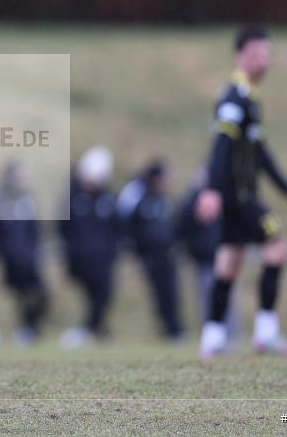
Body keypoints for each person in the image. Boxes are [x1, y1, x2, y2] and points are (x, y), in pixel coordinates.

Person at [196, 26, 287, 359]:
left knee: (228, 265)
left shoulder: (249, 98)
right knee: (277, 250)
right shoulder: (234, 97)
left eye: (266, 54)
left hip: (236, 196)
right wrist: (211, 190)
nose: (262, 61)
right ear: (239, 56)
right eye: (255, 54)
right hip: (240, 197)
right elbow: (221, 145)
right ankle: (266, 335)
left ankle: (212, 338)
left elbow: (260, 152)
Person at [58, 147, 119, 349]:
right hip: (80, 258)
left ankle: (92, 328)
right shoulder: (72, 197)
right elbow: (63, 228)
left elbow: (115, 228)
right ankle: (92, 328)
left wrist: (111, 252)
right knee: (93, 295)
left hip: (102, 259)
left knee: (104, 294)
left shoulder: (107, 199)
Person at [116, 160, 183, 340]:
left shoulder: (164, 200)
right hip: (150, 255)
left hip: (167, 254)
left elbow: (173, 225)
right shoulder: (140, 198)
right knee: (160, 293)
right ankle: (169, 330)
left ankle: (175, 330)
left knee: (172, 293)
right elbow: (128, 224)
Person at [174, 169, 240, 340]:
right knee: (207, 299)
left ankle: (232, 335)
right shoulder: (190, 205)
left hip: (222, 257)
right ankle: (212, 336)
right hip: (204, 260)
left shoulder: (223, 200)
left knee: (226, 298)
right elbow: (181, 229)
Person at [0, 160, 48, 344]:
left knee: (40, 294)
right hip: (11, 259)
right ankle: (22, 329)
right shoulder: (0, 202)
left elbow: (35, 230)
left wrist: (37, 252)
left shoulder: (28, 201)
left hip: (29, 258)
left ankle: (30, 326)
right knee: (19, 296)